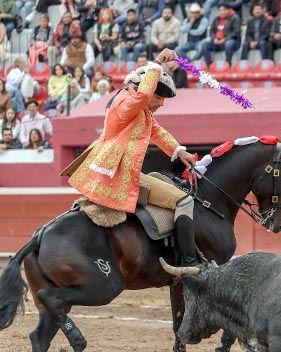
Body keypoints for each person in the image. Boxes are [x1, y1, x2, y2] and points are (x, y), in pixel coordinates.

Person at [61, 48, 202, 269]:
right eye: (158, 96)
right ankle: (190, 263)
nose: (161, 103)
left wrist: (178, 150)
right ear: (141, 89)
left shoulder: (139, 110)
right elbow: (144, 96)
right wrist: (157, 64)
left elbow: (157, 131)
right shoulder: (128, 103)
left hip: (114, 173)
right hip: (120, 177)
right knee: (184, 200)